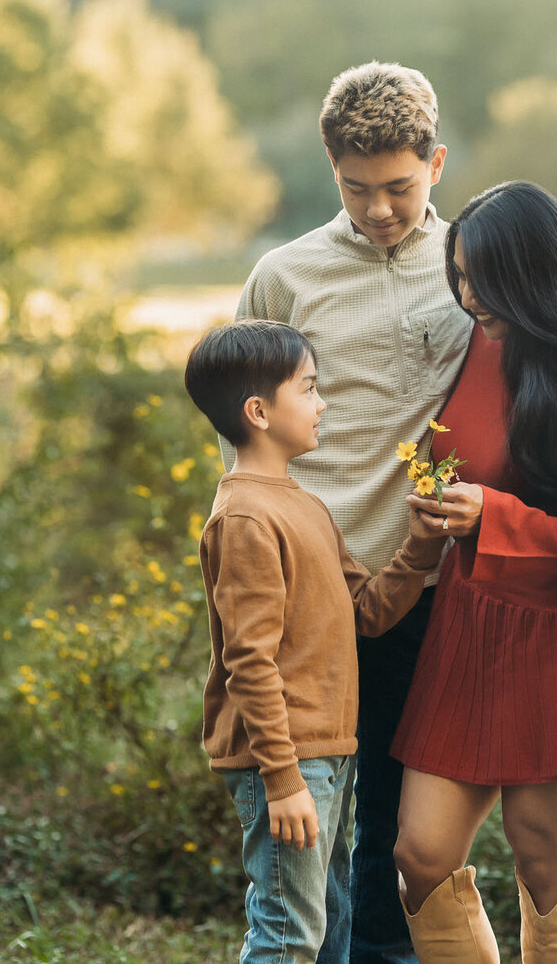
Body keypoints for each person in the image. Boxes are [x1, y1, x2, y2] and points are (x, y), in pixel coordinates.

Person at [226, 62, 557, 964]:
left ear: (435, 163)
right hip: (326, 588)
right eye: (357, 188)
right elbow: (245, 421)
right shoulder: (286, 276)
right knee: (349, 830)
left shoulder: (474, 263)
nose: (379, 208)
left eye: (397, 186)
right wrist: (245, 554)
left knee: (418, 834)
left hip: (438, 596)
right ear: (330, 171)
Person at [390, 180, 557, 964]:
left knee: (541, 861)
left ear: (533, 274)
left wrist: (488, 517)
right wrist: (432, 505)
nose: (468, 297)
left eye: (483, 280)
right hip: (468, 627)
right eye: (459, 275)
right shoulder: (472, 343)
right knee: (421, 854)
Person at [185, 319, 452, 964]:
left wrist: (421, 547)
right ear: (258, 411)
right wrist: (281, 779)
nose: (321, 402)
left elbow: (365, 611)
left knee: (326, 930)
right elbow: (250, 660)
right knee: (287, 936)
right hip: (286, 760)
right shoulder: (247, 518)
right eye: (307, 389)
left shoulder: (304, 504)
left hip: (325, 755)